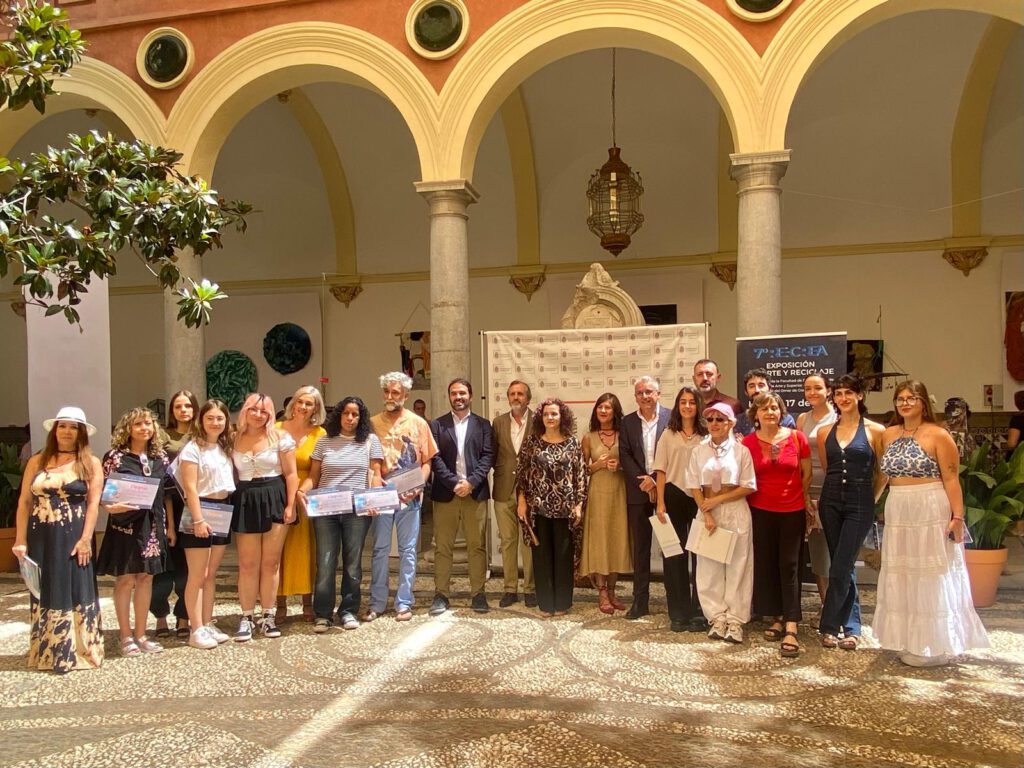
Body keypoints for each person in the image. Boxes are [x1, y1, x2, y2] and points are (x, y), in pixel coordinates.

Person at [874, 380, 989, 667]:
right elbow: (884, 476)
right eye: (900, 398)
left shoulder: (939, 435)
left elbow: (951, 478)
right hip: (899, 507)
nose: (905, 403)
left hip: (930, 506)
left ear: (924, 402)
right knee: (903, 572)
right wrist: (870, 505)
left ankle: (934, 643)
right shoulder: (887, 435)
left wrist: (958, 517)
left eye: (911, 398)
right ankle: (909, 638)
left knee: (931, 573)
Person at [12, 406, 104, 673]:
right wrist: (20, 539)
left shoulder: (91, 462)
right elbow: (24, 502)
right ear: (54, 430)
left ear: (81, 433)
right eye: (62, 426)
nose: (67, 431)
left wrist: (86, 539)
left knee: (73, 585)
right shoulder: (37, 461)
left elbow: (94, 504)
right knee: (44, 587)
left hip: (73, 535)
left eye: (73, 427)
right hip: (40, 535)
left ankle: (76, 651)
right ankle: (47, 652)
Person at [299, 396, 383, 632]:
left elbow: (375, 474)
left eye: (355, 414)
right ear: (338, 415)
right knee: (325, 562)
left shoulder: (370, 441)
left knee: (353, 564)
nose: (350, 418)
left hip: (357, 510)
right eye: (346, 413)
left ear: (361, 417)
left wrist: (375, 498)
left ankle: (348, 611)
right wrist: (301, 491)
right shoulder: (325, 442)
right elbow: (314, 477)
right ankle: (323, 614)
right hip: (326, 510)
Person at [815, 374, 884, 651]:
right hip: (830, 500)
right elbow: (826, 465)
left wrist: (871, 499)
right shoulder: (824, 432)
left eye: (848, 393)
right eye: (839, 394)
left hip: (860, 502)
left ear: (859, 396)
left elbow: (883, 473)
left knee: (842, 565)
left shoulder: (876, 430)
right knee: (842, 565)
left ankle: (829, 625)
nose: (843, 398)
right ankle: (853, 627)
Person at [742, 392, 812, 657]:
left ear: (781, 411)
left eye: (774, 408)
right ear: (755, 415)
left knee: (790, 565)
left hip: (791, 510)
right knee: (767, 564)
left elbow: (806, 473)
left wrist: (797, 496)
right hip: (760, 511)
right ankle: (776, 616)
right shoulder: (747, 443)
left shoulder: (797, 437)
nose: (769, 412)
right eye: (764, 409)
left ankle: (792, 624)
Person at [96, 407, 170, 656]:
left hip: (152, 526)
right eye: (138, 424)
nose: (144, 428)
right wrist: (108, 505)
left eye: (148, 423)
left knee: (146, 577)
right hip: (124, 526)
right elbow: (101, 492)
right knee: (126, 578)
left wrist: (168, 525)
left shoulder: (160, 458)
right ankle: (125, 636)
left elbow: (167, 494)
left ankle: (142, 634)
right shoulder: (115, 457)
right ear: (128, 428)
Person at [366, 372, 438, 622]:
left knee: (408, 550)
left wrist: (419, 485)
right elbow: (371, 459)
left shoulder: (419, 423)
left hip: (410, 495)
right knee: (380, 549)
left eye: (395, 392)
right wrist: (375, 477)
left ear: (405, 395)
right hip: (382, 493)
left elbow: (428, 459)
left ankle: (404, 602)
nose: (390, 396)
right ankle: (377, 602)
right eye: (387, 391)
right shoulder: (372, 423)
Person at [685, 403, 756, 643]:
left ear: (730, 423)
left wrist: (719, 500)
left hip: (734, 509)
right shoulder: (699, 450)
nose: (714, 424)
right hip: (708, 512)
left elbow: (748, 485)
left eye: (719, 419)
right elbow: (694, 483)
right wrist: (706, 511)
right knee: (709, 567)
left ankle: (735, 620)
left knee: (738, 566)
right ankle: (716, 617)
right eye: (710, 420)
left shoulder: (741, 451)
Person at [231, 393, 298, 641]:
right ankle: (247, 616)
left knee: (271, 563)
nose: (258, 415)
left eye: (264, 411)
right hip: (246, 496)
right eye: (254, 410)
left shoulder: (280, 437)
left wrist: (290, 506)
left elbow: (291, 474)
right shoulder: (233, 438)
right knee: (248, 564)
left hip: (274, 495)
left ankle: (268, 615)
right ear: (245, 411)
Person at [516, 398, 587, 617]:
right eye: (546, 414)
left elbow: (580, 476)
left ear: (562, 416)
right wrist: (521, 501)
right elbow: (522, 474)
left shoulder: (573, 443)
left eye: (554, 414)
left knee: (564, 557)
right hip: (539, 509)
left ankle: (563, 603)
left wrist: (578, 504)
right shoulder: (532, 443)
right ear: (541, 417)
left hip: (565, 509)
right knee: (542, 556)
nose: (550, 418)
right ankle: (546, 604)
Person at [429, 378, 495, 615]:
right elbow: (434, 459)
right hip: (446, 494)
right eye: (454, 393)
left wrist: (471, 482)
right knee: (443, 546)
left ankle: (478, 593)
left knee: (477, 546)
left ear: (471, 395)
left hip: (474, 494)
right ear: (449, 397)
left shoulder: (483, 425)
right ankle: (441, 594)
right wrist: (454, 482)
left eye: (463, 393)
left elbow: (488, 457)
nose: (459, 397)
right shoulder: (437, 425)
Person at [177, 398, 235, 650]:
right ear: (201, 420)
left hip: (222, 509)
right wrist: (198, 519)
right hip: (199, 510)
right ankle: (195, 627)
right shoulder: (193, 448)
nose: (215, 422)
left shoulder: (224, 446)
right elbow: (189, 486)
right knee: (197, 575)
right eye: (210, 418)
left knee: (211, 574)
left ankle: (207, 622)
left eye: (219, 418)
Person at [653, 386, 708, 632]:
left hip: (699, 498)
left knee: (701, 557)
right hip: (673, 495)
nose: (687, 406)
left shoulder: (706, 435)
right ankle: (678, 612)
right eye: (683, 402)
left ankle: (699, 611)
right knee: (674, 555)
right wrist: (660, 503)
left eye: (692, 402)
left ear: (698, 406)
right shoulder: (668, 434)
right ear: (677, 406)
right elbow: (661, 471)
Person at [619, 375, 671, 619]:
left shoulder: (672, 418)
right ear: (635, 397)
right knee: (640, 549)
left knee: (671, 547)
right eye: (640, 393)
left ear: (658, 393)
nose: (645, 396)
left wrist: (654, 478)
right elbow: (625, 454)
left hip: (666, 491)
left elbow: (676, 453)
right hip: (638, 492)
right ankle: (640, 601)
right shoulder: (627, 422)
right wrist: (644, 480)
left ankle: (676, 600)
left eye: (649, 392)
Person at [275, 385, 327, 623]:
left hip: (305, 497)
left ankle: (307, 601)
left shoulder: (320, 434)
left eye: (310, 404)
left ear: (316, 408)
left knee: (306, 549)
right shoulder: (275, 430)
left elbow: (316, 472)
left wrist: (300, 492)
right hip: (277, 495)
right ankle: (278, 604)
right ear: (293, 403)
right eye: (301, 402)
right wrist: (288, 493)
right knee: (277, 550)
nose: (304, 407)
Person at [151, 389, 199, 640]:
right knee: (162, 566)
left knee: (188, 567)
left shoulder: (202, 435)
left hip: (196, 506)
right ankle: (160, 615)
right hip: (166, 504)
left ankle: (184, 616)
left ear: (194, 409)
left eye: (188, 406)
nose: (183, 411)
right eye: (178, 406)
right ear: (172, 410)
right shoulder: (162, 437)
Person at [580, 393, 631, 614]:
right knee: (600, 541)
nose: (603, 411)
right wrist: (597, 466)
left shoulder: (625, 434)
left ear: (615, 411)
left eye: (608, 408)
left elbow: (631, 463)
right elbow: (581, 471)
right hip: (598, 495)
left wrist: (619, 466)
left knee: (616, 538)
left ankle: (612, 590)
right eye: (600, 407)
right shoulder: (588, 437)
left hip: (620, 493)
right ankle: (601, 592)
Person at [491, 380, 536, 607]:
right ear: (507, 398)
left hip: (530, 492)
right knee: (508, 541)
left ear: (528, 398)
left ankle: (530, 589)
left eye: (520, 394)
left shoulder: (538, 422)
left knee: (528, 541)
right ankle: (510, 589)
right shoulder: (498, 422)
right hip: (503, 489)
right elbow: (491, 454)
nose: (516, 397)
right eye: (512, 394)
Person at [796, 373, 835, 614]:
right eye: (808, 388)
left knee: (836, 552)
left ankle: (839, 607)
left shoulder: (838, 417)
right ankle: (825, 607)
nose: (812, 393)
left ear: (828, 390)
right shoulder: (802, 418)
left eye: (817, 388)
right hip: (808, 490)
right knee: (819, 554)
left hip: (832, 490)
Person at [734, 368, 796, 436]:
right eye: (752, 386)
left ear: (770, 389)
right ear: (746, 392)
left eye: (761, 385)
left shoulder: (785, 420)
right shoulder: (739, 421)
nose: (757, 390)